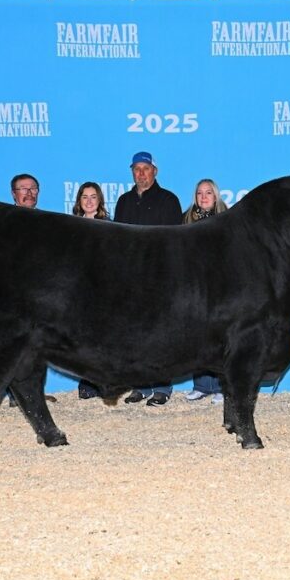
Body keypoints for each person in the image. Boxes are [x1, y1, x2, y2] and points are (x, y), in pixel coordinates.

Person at [114, 151, 183, 406]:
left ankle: (162, 387)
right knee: (134, 332)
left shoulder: (168, 200)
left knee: (161, 332)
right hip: (131, 277)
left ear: (155, 170)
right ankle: (140, 385)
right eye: (136, 169)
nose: (141, 173)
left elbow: (176, 241)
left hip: (159, 276)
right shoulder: (123, 201)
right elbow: (117, 240)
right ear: (132, 172)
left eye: (145, 168)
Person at [8, 173, 57, 405]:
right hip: (15, 294)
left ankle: (35, 392)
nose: (29, 193)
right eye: (23, 189)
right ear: (13, 194)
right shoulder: (5, 222)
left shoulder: (46, 222)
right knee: (14, 345)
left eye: (33, 188)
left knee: (39, 345)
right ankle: (15, 394)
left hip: (42, 294)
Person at [182, 178, 229, 405]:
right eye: (199, 193)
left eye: (208, 193)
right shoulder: (186, 219)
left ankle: (221, 387)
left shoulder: (228, 220)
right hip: (194, 285)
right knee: (197, 336)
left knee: (219, 336)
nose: (203, 197)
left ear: (216, 196)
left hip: (220, 285)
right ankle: (201, 386)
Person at [71, 181, 108, 400]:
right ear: (79, 201)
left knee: (103, 339)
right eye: (85, 197)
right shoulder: (71, 226)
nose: (89, 201)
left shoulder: (110, 226)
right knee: (81, 340)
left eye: (93, 197)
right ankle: (86, 383)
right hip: (78, 290)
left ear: (100, 200)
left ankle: (103, 381)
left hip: (103, 290)